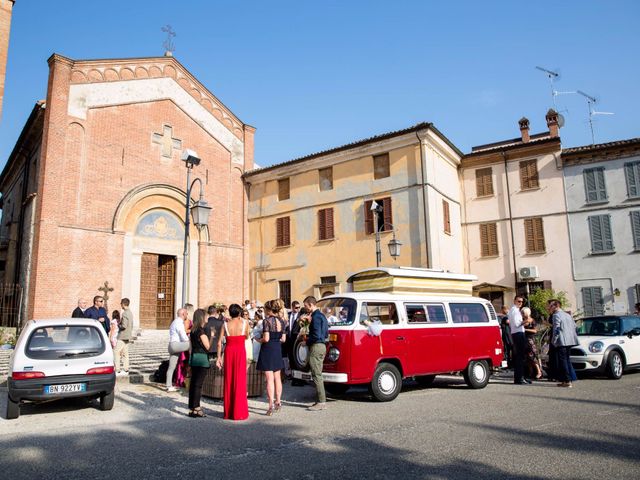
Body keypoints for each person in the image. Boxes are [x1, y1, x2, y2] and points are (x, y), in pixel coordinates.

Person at [216, 303, 250, 421]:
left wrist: (219, 357)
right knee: (240, 380)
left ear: (230, 313)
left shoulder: (225, 324)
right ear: (239, 312)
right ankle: (239, 412)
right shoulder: (245, 323)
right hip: (240, 352)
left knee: (229, 380)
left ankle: (229, 412)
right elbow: (246, 336)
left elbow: (219, 342)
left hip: (229, 352)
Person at [256, 299, 286, 415]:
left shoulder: (266, 321)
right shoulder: (282, 321)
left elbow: (266, 338)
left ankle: (270, 405)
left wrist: (259, 340)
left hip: (268, 349)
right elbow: (283, 339)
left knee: (269, 378)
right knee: (277, 377)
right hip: (277, 348)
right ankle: (278, 402)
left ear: (268, 310)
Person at [304, 295, 329, 410]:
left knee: (316, 374)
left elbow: (317, 335)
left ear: (311, 304)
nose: (305, 309)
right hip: (321, 345)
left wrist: (306, 341)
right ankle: (320, 400)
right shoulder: (321, 316)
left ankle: (321, 402)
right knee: (317, 373)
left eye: (306, 306)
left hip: (317, 346)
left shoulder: (316, 317)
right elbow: (324, 334)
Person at [548, 299, 579, 388]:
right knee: (567, 359)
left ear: (556, 306)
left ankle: (567, 380)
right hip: (570, 340)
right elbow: (574, 326)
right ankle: (568, 379)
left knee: (563, 361)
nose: (549, 308)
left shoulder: (556, 315)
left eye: (551, 306)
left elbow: (556, 329)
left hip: (562, 341)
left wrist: (554, 340)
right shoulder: (567, 315)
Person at [188, 309, 213, 417]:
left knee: (193, 384)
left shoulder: (193, 331)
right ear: (202, 317)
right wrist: (212, 336)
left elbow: (190, 348)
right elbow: (207, 347)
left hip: (194, 357)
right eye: (206, 316)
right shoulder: (201, 331)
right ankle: (197, 408)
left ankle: (192, 407)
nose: (207, 318)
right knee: (198, 385)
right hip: (202, 358)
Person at [166, 308, 190, 392]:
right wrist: (188, 340)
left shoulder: (174, 321)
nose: (187, 315)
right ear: (183, 314)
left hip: (171, 345)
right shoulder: (179, 322)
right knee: (191, 344)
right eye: (186, 313)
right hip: (175, 345)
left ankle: (169, 386)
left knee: (171, 367)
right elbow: (182, 334)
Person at [508, 296, 530, 385]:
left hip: (517, 333)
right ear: (514, 301)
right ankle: (519, 378)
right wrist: (527, 320)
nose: (520, 303)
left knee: (520, 357)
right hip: (518, 334)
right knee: (520, 357)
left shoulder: (515, 310)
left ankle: (521, 377)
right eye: (519, 301)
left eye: (521, 301)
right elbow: (517, 324)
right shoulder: (515, 311)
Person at [522, 307, 542, 380]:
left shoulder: (532, 320)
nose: (522, 314)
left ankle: (539, 372)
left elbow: (535, 330)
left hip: (531, 340)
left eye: (523, 313)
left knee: (532, 356)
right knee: (527, 358)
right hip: (525, 340)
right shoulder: (523, 321)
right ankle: (530, 372)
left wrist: (524, 329)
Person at [114, 298, 133, 376]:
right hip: (128, 335)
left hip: (122, 336)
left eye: (121, 304)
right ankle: (126, 369)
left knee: (116, 352)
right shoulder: (130, 312)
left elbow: (124, 326)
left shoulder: (125, 313)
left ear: (123, 304)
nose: (121, 305)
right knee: (125, 353)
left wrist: (119, 325)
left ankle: (117, 369)